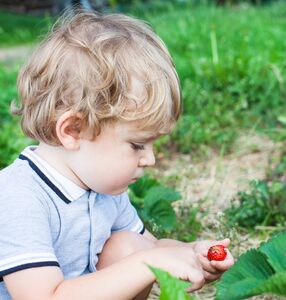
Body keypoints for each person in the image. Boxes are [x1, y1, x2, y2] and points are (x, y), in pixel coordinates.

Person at [0, 11, 234, 300]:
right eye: (138, 145)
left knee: (130, 246)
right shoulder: (19, 197)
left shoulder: (102, 188)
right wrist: (148, 263)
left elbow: (151, 247)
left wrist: (191, 253)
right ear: (73, 130)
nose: (151, 159)